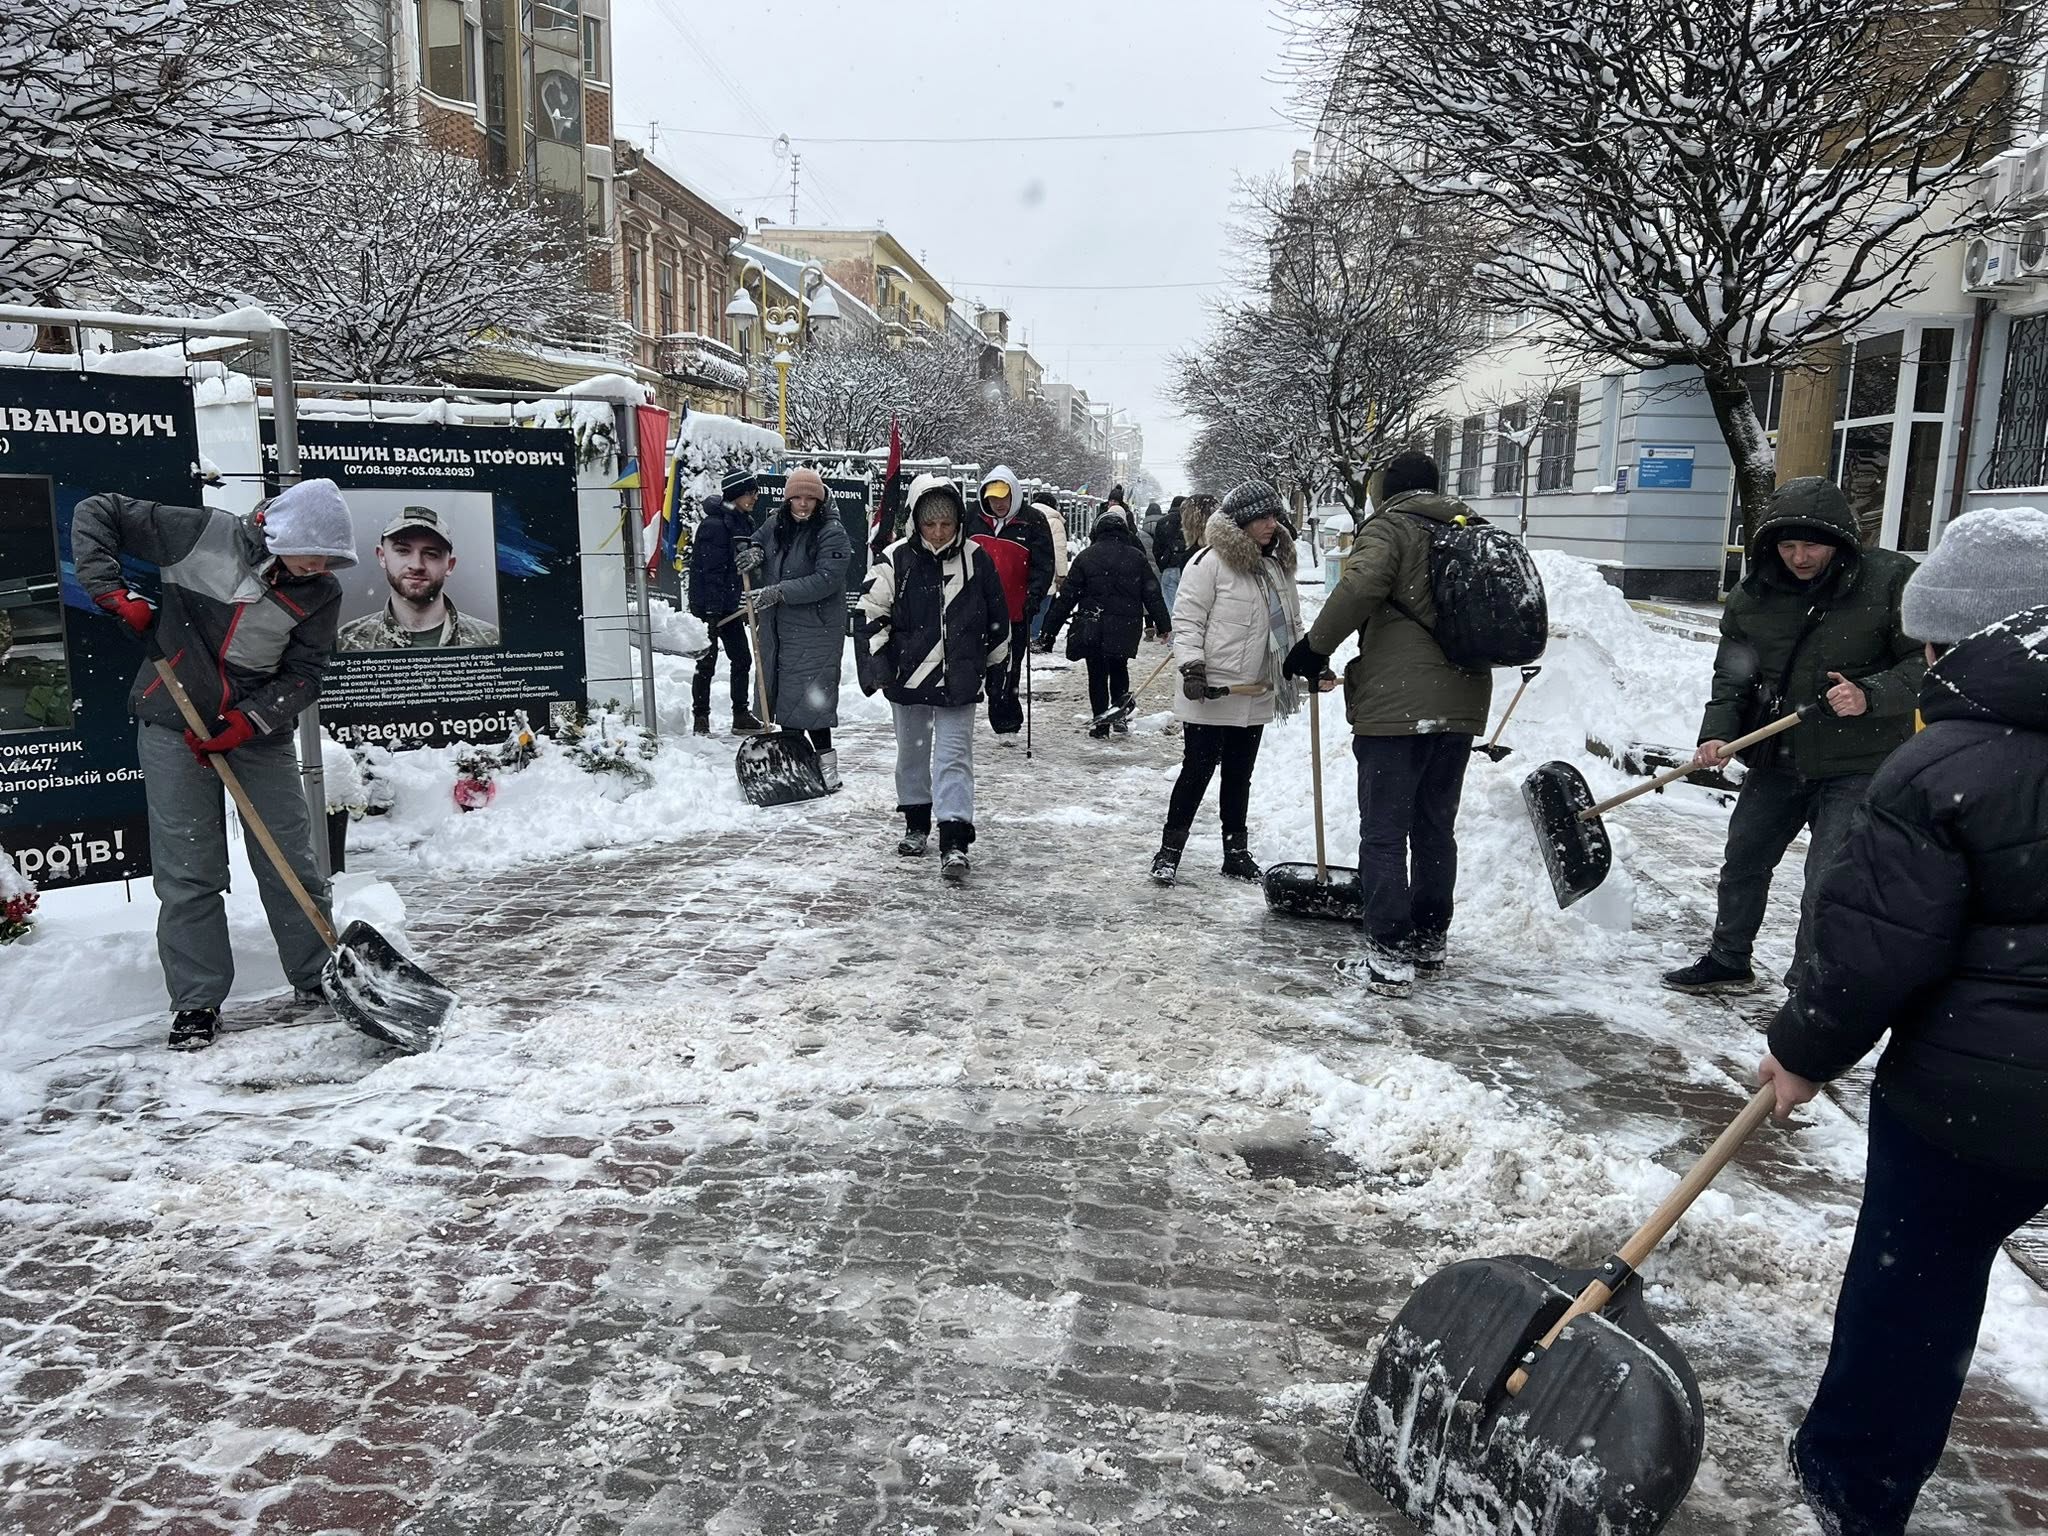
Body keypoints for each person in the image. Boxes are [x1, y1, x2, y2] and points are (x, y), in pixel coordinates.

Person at [1752, 508, 2048, 1536]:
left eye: (1928, 641)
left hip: (1974, 1098)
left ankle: (1850, 1490)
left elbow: (1873, 947)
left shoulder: (1939, 764)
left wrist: (1800, 1052)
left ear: (1963, 640)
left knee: (1910, 1293)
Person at [70, 480, 354, 1052]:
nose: (320, 565)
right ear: (280, 532)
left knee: (290, 859)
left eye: (329, 556)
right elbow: (96, 508)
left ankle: (318, 976)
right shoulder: (202, 534)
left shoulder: (319, 592)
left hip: (255, 732)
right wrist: (112, 592)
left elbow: (305, 674)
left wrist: (250, 722)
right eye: (312, 551)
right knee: (189, 870)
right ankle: (197, 1002)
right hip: (174, 719)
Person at [1663, 476, 1922, 995]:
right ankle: (1729, 957)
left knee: (1826, 880)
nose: (1799, 557)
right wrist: (1717, 735)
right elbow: (1733, 676)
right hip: (1777, 756)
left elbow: (1927, 660)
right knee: (1743, 859)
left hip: (1858, 761)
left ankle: (1808, 984)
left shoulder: (1891, 581)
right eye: (1787, 545)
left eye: (1812, 545)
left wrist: (1872, 693)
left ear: (1840, 542)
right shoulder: (1755, 595)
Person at [1282, 451, 1491, 997]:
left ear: (1384, 491)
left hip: (1398, 704)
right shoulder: (1472, 527)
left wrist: (1313, 647)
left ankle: (1389, 957)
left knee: (1383, 832)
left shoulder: (1391, 527)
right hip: (1464, 702)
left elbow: (1360, 587)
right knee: (1433, 828)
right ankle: (1428, 941)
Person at [1150, 479, 1308, 887]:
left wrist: (1308, 661)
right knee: (1197, 771)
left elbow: (1290, 623)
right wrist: (1192, 668)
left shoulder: (1277, 567)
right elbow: (1187, 621)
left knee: (1239, 774)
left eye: (1276, 516)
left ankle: (1235, 854)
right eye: (1264, 517)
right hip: (1213, 690)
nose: (1274, 524)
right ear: (1242, 522)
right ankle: (1169, 853)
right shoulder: (1209, 563)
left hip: (1256, 689)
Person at [856, 475, 1011, 881]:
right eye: (930, 524)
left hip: (959, 679)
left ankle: (955, 837)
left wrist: (999, 680)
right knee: (912, 754)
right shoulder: (895, 561)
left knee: (954, 758)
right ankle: (916, 820)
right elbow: (871, 614)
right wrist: (879, 665)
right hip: (907, 680)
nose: (939, 532)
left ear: (958, 520)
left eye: (946, 524)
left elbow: (998, 622)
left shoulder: (977, 560)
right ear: (916, 522)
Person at [736, 467, 851, 790]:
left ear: (819, 500)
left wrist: (779, 591)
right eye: (797, 498)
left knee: (812, 705)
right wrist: (754, 551)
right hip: (778, 628)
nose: (802, 504)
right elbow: (756, 540)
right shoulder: (778, 523)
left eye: (809, 498)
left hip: (816, 630)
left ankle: (828, 771)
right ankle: (794, 768)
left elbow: (827, 579)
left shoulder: (831, 532)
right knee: (786, 701)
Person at [1040, 508, 1171, 737]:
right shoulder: (1136, 557)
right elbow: (1152, 593)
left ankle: (1100, 723)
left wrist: (1049, 631)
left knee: (1097, 674)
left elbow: (1067, 597)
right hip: (1126, 627)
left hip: (1093, 624)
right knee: (1120, 669)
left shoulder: (1087, 556)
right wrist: (1163, 625)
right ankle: (1119, 715)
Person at [336, 505, 501, 651]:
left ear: (449, 565)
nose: (416, 565)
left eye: (431, 554)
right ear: (382, 556)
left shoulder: (490, 639)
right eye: (402, 550)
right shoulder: (346, 641)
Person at [687, 469, 767, 737]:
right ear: (736, 494)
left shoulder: (742, 521)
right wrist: (710, 611)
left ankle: (740, 715)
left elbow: (742, 563)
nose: (755, 497)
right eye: (750, 492)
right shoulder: (714, 525)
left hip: (730, 604)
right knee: (706, 663)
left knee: (742, 658)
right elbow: (710, 571)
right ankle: (701, 717)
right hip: (709, 605)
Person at [970, 465, 1055, 697]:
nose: (998, 504)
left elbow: (1044, 565)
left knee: (1010, 662)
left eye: (1003, 497)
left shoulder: (1033, 521)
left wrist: (1034, 596)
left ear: (1013, 494)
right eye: (993, 498)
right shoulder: (973, 518)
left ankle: (1005, 704)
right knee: (975, 658)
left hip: (1015, 610)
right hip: (977, 608)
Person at [1029, 488, 1070, 641]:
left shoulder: (1024, 517)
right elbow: (1059, 550)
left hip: (1025, 569)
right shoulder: (1054, 522)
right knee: (1042, 607)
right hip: (1046, 570)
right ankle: (1032, 636)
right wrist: (1061, 575)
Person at [1153, 495, 1192, 611]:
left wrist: (1163, 564)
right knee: (1186, 607)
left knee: (1169, 605)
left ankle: (1172, 627)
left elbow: (1157, 549)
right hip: (1187, 569)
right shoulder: (1190, 522)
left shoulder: (1162, 522)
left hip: (1169, 567)